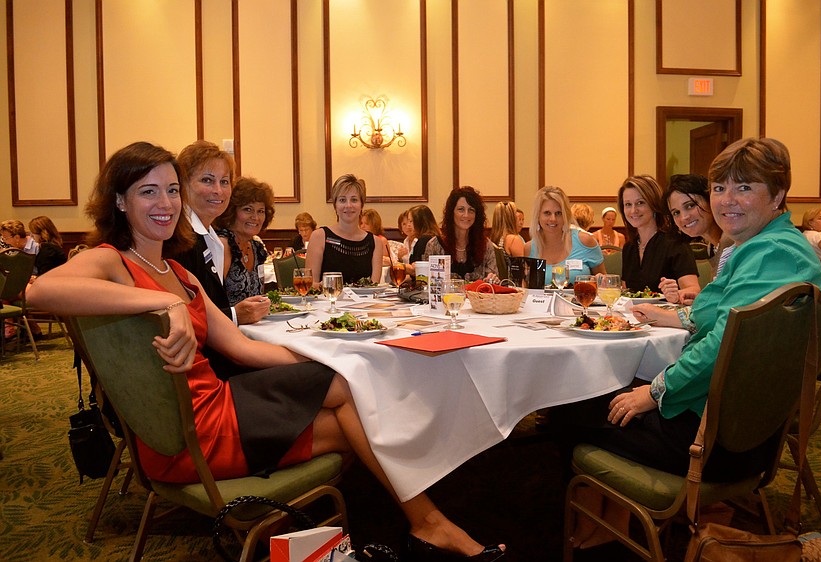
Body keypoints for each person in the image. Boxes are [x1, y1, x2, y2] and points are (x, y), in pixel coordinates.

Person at [26, 142, 505, 561]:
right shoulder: (113, 260)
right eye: (148, 191)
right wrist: (163, 300)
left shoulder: (183, 272)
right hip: (187, 434)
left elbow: (242, 348)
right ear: (119, 201)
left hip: (214, 407)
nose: (165, 202)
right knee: (352, 396)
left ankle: (361, 529)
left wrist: (329, 357)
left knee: (348, 408)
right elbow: (38, 294)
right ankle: (418, 523)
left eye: (171, 190)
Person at [562, 137, 821, 548]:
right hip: (739, 428)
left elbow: (724, 342)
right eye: (720, 188)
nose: (727, 200)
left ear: (777, 194)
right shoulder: (762, 247)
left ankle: (603, 525)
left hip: (718, 441)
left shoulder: (772, 254)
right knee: (605, 393)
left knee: (572, 406)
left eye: (744, 187)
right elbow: (715, 316)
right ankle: (609, 512)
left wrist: (653, 392)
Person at [173, 140, 269, 325]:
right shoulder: (178, 239)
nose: (218, 191)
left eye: (224, 182)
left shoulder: (210, 237)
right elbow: (182, 316)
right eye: (207, 180)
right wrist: (234, 315)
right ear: (183, 184)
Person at [618, 175, 699, 294]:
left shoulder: (675, 243)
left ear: (654, 204)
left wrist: (676, 293)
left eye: (640, 203)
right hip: (633, 312)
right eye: (628, 204)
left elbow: (694, 291)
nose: (633, 210)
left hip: (669, 311)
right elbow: (627, 291)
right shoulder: (629, 247)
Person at [662, 174, 732, 303]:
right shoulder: (713, 247)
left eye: (690, 206)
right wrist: (698, 299)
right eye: (676, 213)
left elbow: (730, 305)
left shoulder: (730, 241)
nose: (684, 217)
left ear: (710, 199)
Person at [305, 174, 384, 285]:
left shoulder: (376, 242)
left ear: (361, 205)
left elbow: (374, 287)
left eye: (354, 200)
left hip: (365, 302)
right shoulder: (319, 236)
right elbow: (310, 285)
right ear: (335, 206)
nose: (348, 205)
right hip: (328, 301)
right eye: (342, 200)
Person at [523, 186, 605, 286]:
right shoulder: (528, 249)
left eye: (558, 213)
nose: (553, 219)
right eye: (547, 213)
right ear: (538, 216)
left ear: (566, 215)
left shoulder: (586, 241)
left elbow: (604, 283)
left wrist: (600, 280)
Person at [213, 177, 275, 305]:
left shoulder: (256, 247)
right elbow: (212, 300)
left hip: (254, 322)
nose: (255, 217)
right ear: (231, 211)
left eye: (260, 211)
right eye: (248, 209)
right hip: (227, 322)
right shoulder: (223, 245)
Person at [423, 186, 498, 281]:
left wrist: (493, 279)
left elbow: (493, 282)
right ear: (451, 212)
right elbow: (426, 283)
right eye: (461, 209)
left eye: (471, 210)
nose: (466, 215)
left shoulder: (486, 245)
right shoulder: (434, 245)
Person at [405, 204, 440, 275]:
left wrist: (396, 264)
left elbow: (417, 269)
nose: (408, 225)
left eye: (411, 221)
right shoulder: (435, 236)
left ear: (419, 222)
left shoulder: (424, 240)